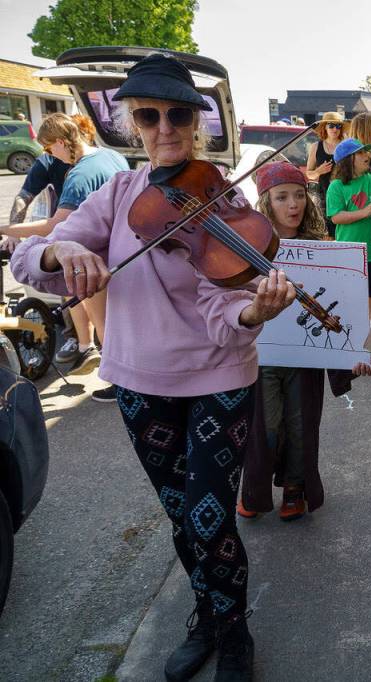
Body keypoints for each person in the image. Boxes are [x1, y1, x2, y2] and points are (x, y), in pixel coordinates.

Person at [10, 53, 295, 681]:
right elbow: (27, 262)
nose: (165, 127)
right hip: (140, 383)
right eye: (149, 115)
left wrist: (253, 316)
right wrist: (59, 250)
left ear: (196, 122)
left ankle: (236, 631)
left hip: (218, 379)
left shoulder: (222, 194)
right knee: (178, 513)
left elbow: (226, 305)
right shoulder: (116, 193)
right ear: (133, 124)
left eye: (177, 114)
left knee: (209, 514)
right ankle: (207, 615)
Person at [237, 161, 371, 521]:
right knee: (265, 425)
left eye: (299, 195)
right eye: (282, 197)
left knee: (300, 425)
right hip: (262, 356)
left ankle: (296, 488)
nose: (293, 204)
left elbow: (344, 304)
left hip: (304, 359)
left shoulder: (321, 247)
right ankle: (254, 490)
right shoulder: (247, 248)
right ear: (265, 202)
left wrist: (353, 354)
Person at [2, 112, 129, 400]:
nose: (50, 155)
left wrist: (7, 229)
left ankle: (117, 383)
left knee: (106, 326)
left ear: (61, 142)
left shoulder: (81, 174)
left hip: (93, 256)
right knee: (109, 320)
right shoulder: (110, 155)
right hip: (118, 250)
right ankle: (86, 348)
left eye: (49, 148)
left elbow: (53, 226)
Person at [326, 138, 371, 320]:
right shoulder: (336, 186)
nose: (367, 156)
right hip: (350, 253)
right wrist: (365, 212)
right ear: (347, 160)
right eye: (360, 153)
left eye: (366, 151)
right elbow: (336, 217)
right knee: (352, 298)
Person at [7, 152, 71, 224]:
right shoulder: (47, 160)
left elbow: (23, 198)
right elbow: (23, 198)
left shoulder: (49, 159)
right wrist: (14, 231)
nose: (46, 150)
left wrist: (14, 232)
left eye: (47, 146)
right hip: (63, 223)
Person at [306, 111, 343, 206]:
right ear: (325, 127)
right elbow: (309, 174)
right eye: (331, 126)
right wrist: (318, 171)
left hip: (344, 196)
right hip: (324, 198)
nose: (335, 129)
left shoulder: (346, 146)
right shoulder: (315, 147)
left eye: (338, 126)